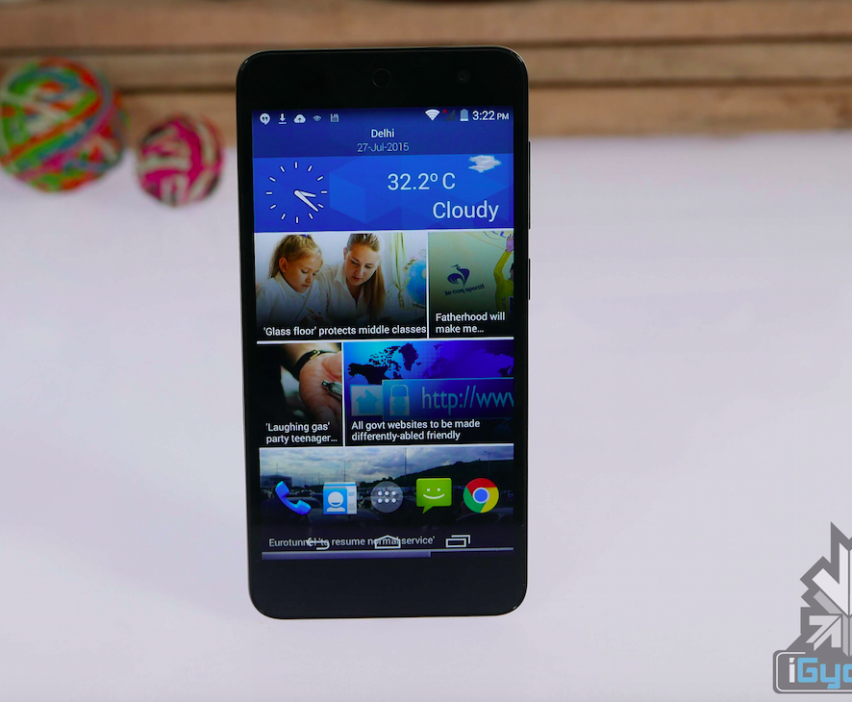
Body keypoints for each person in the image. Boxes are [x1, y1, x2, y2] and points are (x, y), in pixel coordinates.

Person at [315, 232, 385, 325]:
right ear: (345, 253)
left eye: (368, 266)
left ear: (377, 265)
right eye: (354, 262)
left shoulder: (384, 282)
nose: (359, 273)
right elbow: (316, 321)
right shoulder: (324, 276)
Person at [256, 235, 326, 326]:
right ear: (284, 265)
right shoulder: (268, 291)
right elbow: (255, 331)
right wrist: (300, 327)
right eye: (304, 271)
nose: (310, 280)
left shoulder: (313, 288)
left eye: (314, 273)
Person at [494, 232, 514, 314]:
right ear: (511, 270)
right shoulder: (502, 284)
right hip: (503, 322)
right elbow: (497, 271)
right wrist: (508, 251)